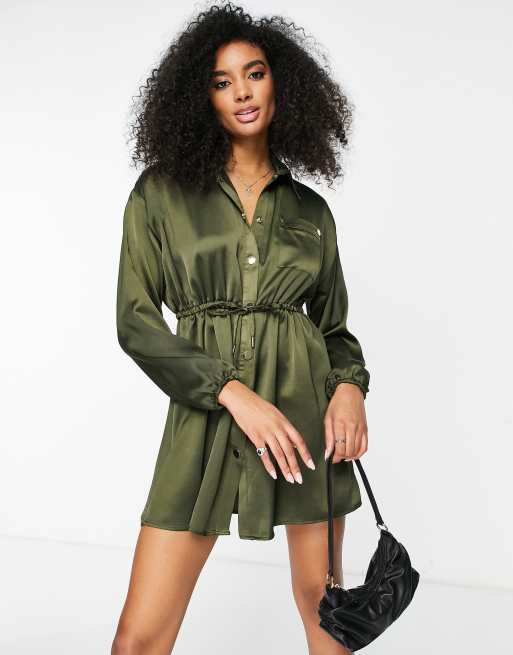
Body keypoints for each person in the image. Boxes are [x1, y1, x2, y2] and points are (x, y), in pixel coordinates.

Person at [112, 2, 370, 653]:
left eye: (254, 74)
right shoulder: (160, 193)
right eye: (222, 81)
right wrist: (231, 391)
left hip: (304, 424)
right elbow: (136, 322)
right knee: (139, 636)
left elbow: (334, 329)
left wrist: (349, 387)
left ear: (281, 82)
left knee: (326, 612)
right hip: (206, 416)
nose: (242, 92)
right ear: (200, 96)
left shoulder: (311, 211)